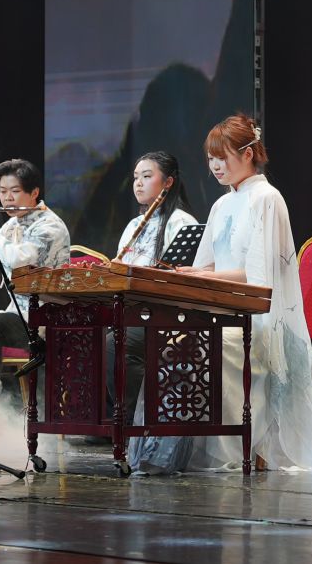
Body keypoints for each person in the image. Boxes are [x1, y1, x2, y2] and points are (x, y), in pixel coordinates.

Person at [127, 114, 312, 473]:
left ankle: (206, 447)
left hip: (258, 319)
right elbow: (208, 264)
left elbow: (259, 276)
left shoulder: (267, 198)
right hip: (225, 310)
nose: (215, 166)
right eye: (211, 158)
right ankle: (160, 449)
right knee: (169, 339)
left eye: (223, 157)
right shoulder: (222, 204)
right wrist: (191, 272)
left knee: (196, 344)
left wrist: (207, 274)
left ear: (248, 154)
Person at [104, 152, 197, 426]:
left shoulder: (181, 222)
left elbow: (181, 279)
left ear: (168, 182)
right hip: (131, 310)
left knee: (115, 343)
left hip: (164, 314)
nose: (138, 183)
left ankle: (137, 422)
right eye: (136, 177)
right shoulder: (134, 225)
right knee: (89, 334)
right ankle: (104, 420)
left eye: (146, 176)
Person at [0, 159, 71, 367]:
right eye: (3, 191)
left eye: (15, 191)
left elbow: (18, 261)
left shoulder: (50, 226)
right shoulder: (13, 223)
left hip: (45, 318)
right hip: (19, 313)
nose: (7, 198)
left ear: (34, 193)